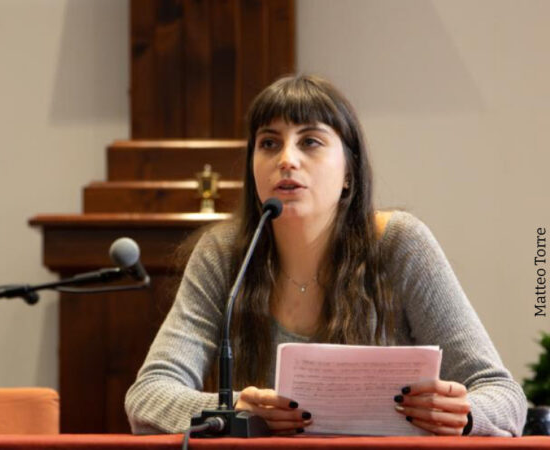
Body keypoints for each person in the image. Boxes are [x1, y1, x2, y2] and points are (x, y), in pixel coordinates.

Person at [125, 74, 527, 436]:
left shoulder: (400, 243)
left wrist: (464, 414)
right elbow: (147, 396)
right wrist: (233, 411)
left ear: (348, 172)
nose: (286, 159)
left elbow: (504, 396)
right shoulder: (225, 254)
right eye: (269, 143)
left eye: (310, 142)